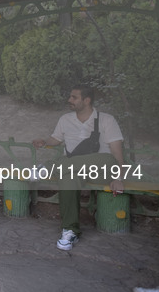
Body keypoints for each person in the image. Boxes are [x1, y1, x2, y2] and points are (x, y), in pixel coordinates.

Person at [32, 84, 124, 251]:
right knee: (68, 176)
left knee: (107, 158)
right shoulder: (65, 119)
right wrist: (45, 142)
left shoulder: (106, 120)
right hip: (74, 168)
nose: (69, 100)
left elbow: (117, 152)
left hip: (101, 168)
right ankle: (70, 230)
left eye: (74, 97)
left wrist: (118, 178)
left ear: (86, 100)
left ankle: (49, 167)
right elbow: (56, 139)